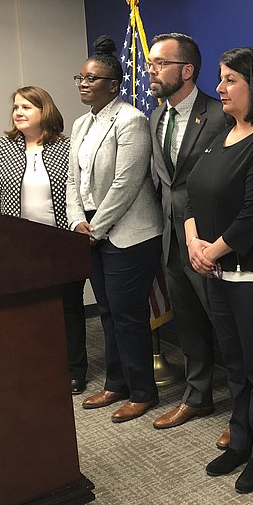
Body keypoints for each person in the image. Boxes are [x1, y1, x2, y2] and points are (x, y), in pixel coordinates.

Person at [185, 47, 253, 494]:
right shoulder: (218, 134)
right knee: (236, 364)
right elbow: (191, 196)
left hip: (248, 273)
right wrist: (193, 243)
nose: (220, 88)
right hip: (215, 273)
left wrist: (213, 252)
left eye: (230, 80)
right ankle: (240, 438)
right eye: (221, 79)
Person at [67, 36, 163, 423]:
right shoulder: (79, 124)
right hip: (90, 230)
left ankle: (143, 391)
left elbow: (127, 183)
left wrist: (96, 228)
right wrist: (77, 220)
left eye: (93, 78)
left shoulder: (132, 120)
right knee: (106, 311)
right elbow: (73, 179)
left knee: (128, 314)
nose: (84, 84)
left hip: (129, 233)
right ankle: (116, 383)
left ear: (114, 83)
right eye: (81, 77)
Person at [0, 86, 88, 395]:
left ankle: (75, 369)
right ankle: (36, 365)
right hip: (18, 248)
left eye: (26, 107)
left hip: (62, 244)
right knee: (28, 310)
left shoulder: (67, 147)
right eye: (16, 107)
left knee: (69, 308)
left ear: (44, 111)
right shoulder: (0, 148)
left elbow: (81, 191)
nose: (18, 112)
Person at [146, 33, 228, 444]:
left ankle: (249, 410)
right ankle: (198, 396)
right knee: (190, 323)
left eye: (160, 63)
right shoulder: (157, 117)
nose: (151, 70)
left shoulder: (220, 115)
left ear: (187, 70)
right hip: (171, 240)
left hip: (212, 242)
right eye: (149, 62)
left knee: (227, 326)